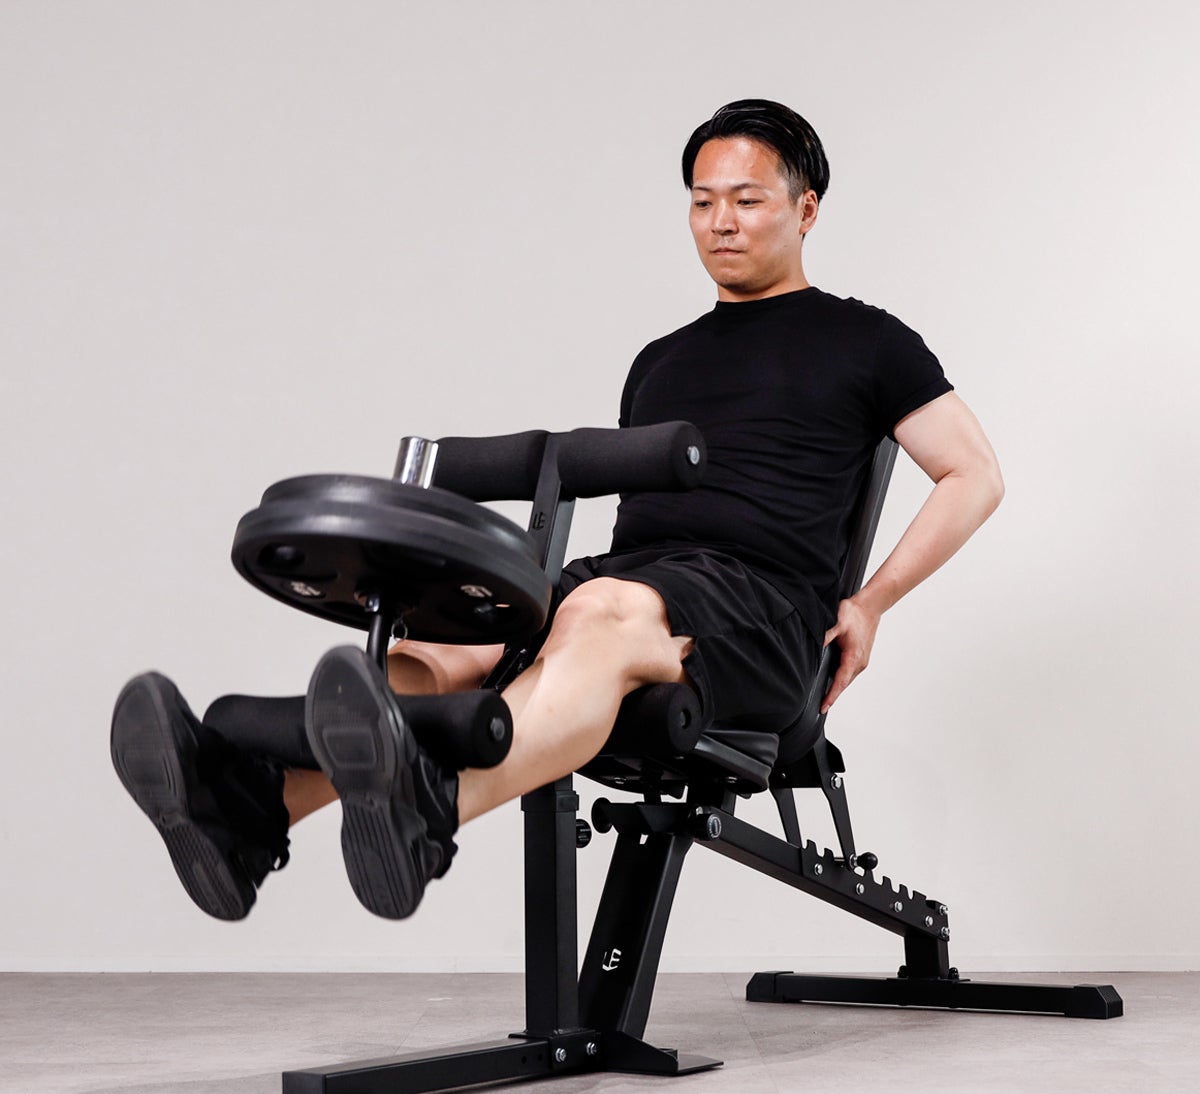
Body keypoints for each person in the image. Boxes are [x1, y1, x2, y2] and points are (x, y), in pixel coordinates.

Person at [110, 99, 1003, 924]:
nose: (720, 222)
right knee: (456, 638)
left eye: (747, 200)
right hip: (634, 583)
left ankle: (430, 814)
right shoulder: (661, 360)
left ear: (806, 211)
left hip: (761, 614)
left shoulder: (869, 341)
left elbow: (973, 475)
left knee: (599, 609)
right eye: (701, 202)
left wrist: (870, 603)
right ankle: (248, 809)